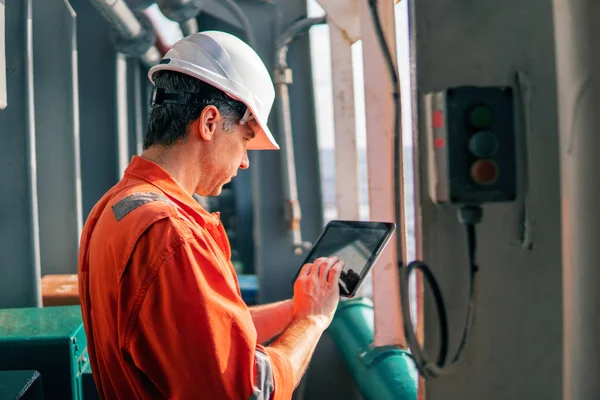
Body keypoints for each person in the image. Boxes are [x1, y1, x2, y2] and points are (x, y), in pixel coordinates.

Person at [78, 30, 345, 400]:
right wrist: (313, 320)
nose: (246, 160)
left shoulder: (115, 208)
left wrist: (297, 308)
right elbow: (252, 390)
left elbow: (202, 335)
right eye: (246, 140)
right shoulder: (171, 235)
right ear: (208, 122)